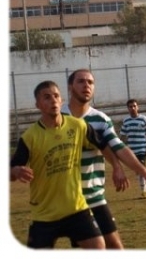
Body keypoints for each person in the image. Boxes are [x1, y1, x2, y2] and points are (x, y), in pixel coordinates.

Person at [62, 69, 146, 248]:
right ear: (70, 86)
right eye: (81, 81)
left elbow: (118, 147)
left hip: (95, 195)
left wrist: (144, 172)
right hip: (68, 198)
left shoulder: (100, 119)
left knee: (114, 247)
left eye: (90, 82)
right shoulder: (57, 118)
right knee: (96, 247)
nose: (86, 85)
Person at [10, 80, 107, 249]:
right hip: (44, 215)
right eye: (47, 97)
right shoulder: (29, 137)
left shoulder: (78, 125)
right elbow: (10, 172)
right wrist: (16, 171)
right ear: (38, 105)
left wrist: (118, 168)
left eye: (56, 96)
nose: (53, 100)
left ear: (62, 101)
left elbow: (105, 145)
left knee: (99, 247)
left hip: (76, 209)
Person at [120, 99, 146, 199]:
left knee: (141, 168)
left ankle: (144, 190)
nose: (133, 108)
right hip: (131, 150)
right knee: (137, 170)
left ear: (138, 107)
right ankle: (144, 188)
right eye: (130, 106)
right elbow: (122, 136)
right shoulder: (126, 121)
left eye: (134, 106)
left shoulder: (143, 119)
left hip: (142, 149)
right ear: (128, 108)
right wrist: (121, 148)